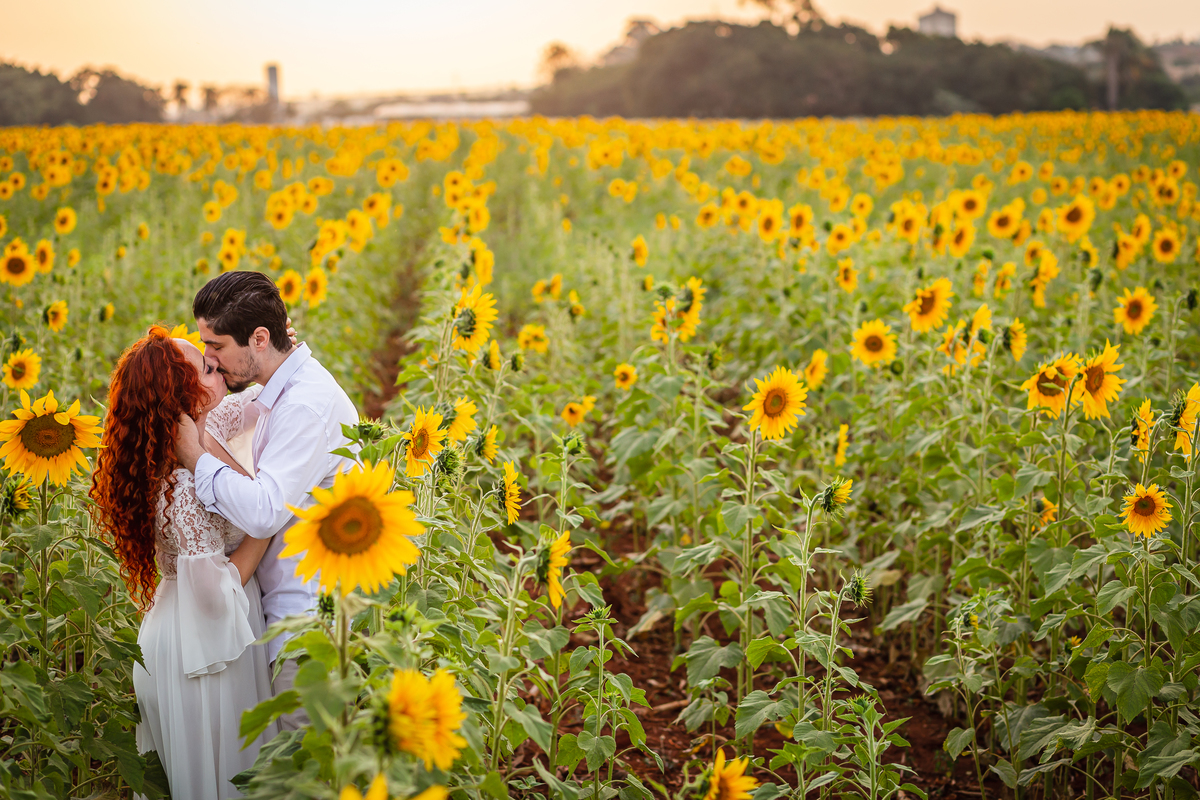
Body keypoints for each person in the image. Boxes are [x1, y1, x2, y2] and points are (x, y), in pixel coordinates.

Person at [90, 326, 279, 800]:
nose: (220, 372)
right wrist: (267, 518)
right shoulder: (180, 487)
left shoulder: (202, 428)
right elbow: (217, 594)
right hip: (205, 646)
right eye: (208, 369)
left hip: (193, 630)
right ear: (180, 395)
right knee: (223, 777)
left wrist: (274, 348)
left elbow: (261, 397)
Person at [173, 270, 358, 730]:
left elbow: (264, 510)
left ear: (258, 339)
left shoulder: (304, 405)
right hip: (290, 615)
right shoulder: (282, 389)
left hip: (309, 620)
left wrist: (194, 457)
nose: (209, 360)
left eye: (215, 346)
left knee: (306, 776)